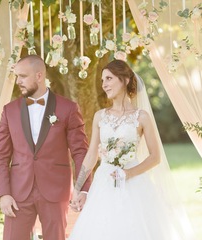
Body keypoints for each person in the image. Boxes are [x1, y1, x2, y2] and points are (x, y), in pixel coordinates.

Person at [68, 59, 195, 240]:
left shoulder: (141, 117)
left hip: (134, 184)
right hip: (104, 182)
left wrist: (128, 173)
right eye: (103, 80)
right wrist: (78, 188)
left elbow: (155, 157)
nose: (104, 84)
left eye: (109, 79)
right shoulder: (100, 116)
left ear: (125, 80)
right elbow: (91, 155)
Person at [0, 55, 92, 240]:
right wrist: (3, 193)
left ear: (39, 76)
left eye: (22, 76)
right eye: (16, 76)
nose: (18, 81)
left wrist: (83, 188)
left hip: (56, 190)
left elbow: (80, 152)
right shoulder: (10, 110)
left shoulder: (68, 108)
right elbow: (0, 155)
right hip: (18, 193)